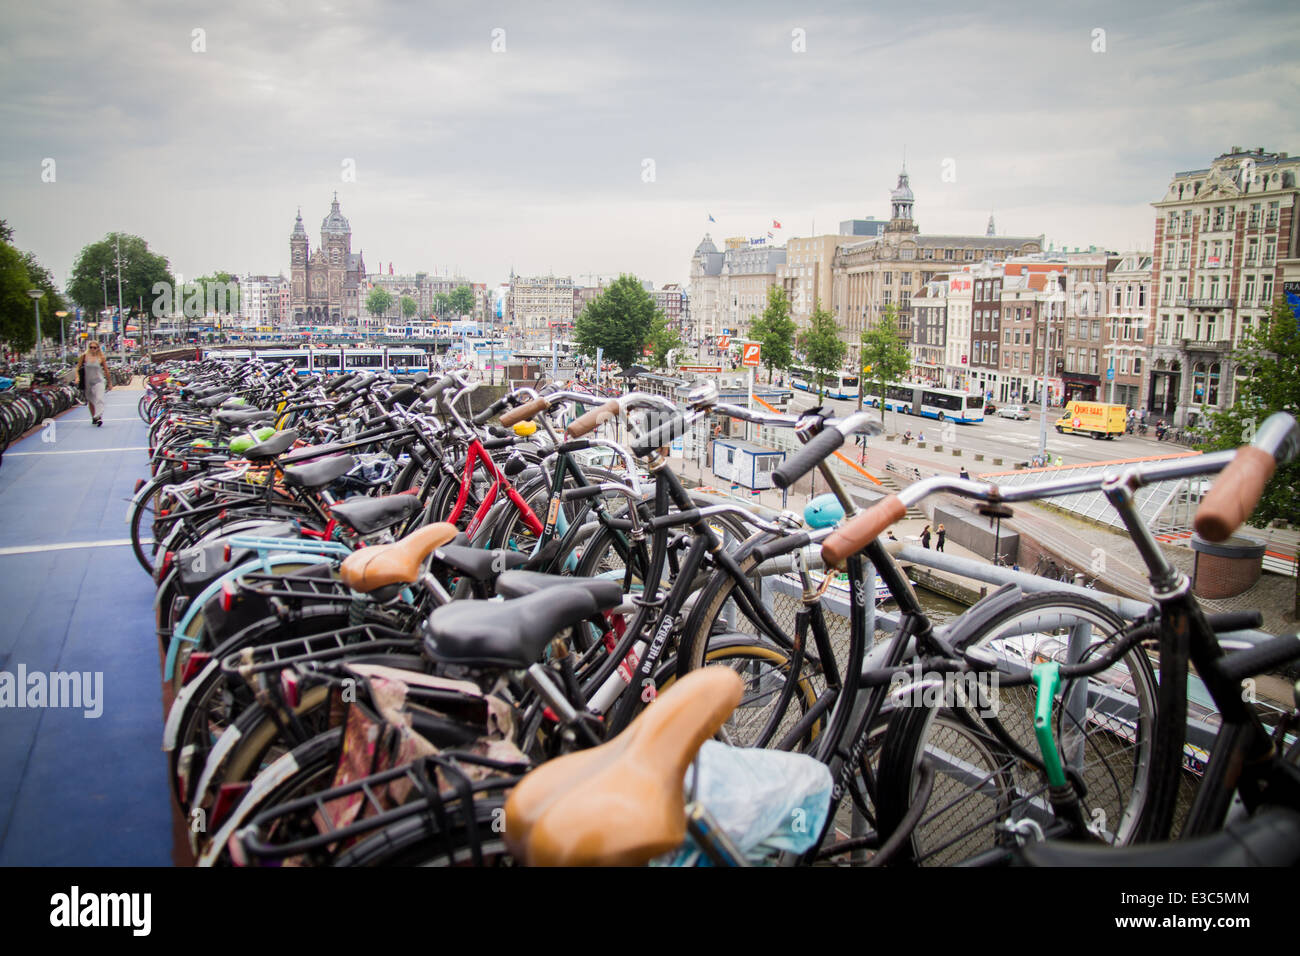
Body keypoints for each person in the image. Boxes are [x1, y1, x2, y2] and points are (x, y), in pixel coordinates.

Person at [78, 340, 112, 426]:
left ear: (98, 348)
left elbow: (106, 370)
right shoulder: (84, 356)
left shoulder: (101, 357)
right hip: (88, 381)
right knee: (91, 400)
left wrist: (109, 382)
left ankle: (99, 416)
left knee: (99, 398)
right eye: (91, 347)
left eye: (95, 347)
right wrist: (77, 377)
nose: (93, 349)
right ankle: (94, 417)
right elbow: (77, 368)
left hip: (99, 381)